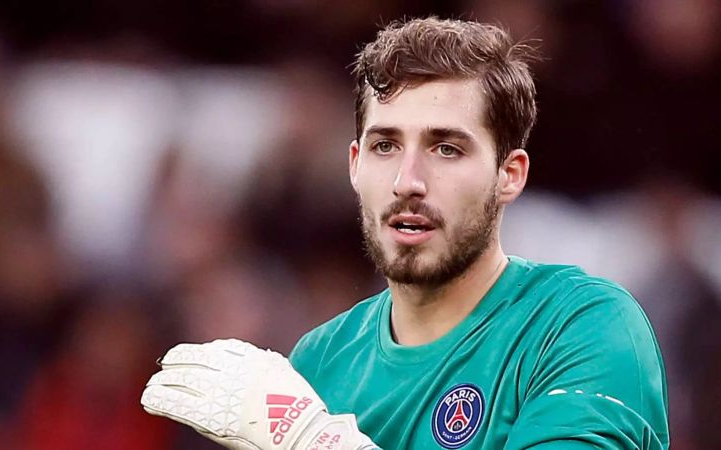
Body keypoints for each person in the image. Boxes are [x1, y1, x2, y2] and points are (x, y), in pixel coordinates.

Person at [141, 17, 669, 450]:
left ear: (509, 175)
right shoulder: (318, 363)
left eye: (447, 148)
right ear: (353, 166)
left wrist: (317, 441)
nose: (407, 182)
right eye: (385, 146)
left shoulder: (583, 325)